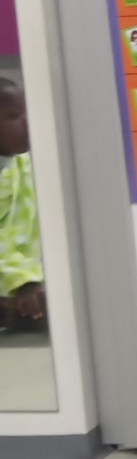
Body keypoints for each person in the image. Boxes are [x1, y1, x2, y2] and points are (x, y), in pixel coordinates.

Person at [0, 78, 44, 331]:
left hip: (31, 293)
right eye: (14, 116)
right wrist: (24, 281)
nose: (28, 123)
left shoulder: (28, 164)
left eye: (28, 112)